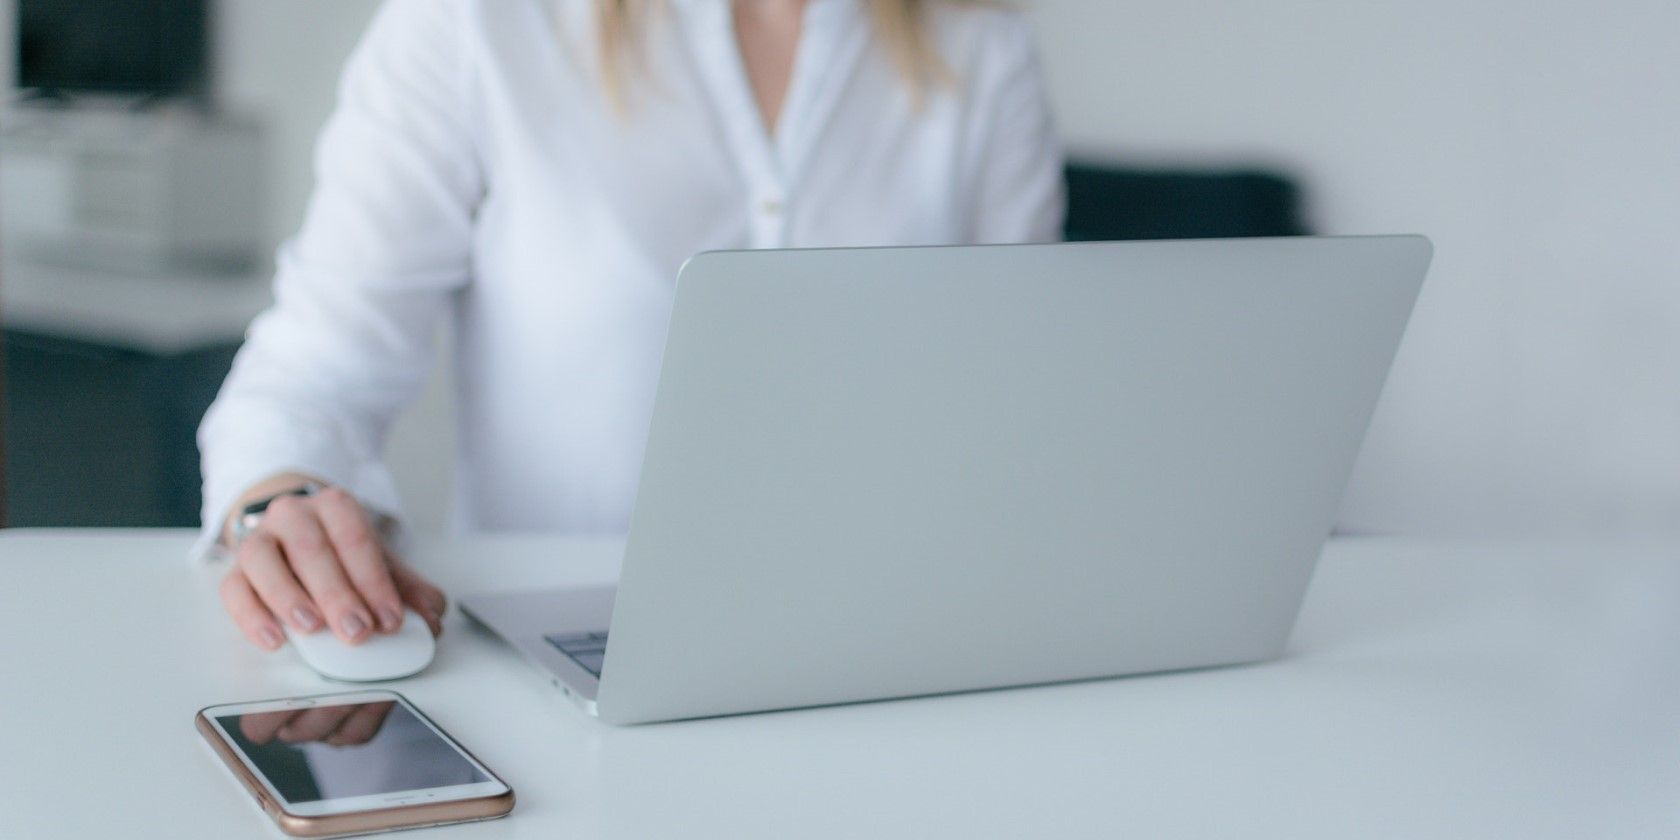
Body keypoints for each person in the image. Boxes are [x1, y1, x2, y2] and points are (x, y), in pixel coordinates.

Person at [199, 0, 1064, 651]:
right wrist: (278, 503)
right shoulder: (480, 24)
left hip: (891, 650)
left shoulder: (982, 48)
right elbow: (313, 373)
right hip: (561, 657)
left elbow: (1018, 411)